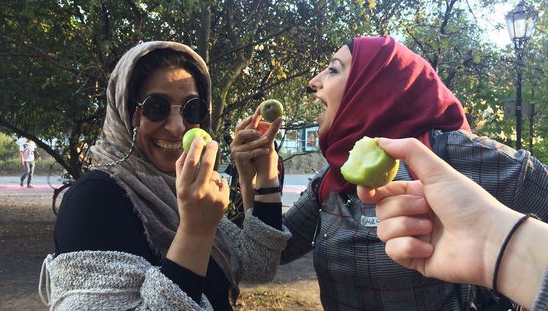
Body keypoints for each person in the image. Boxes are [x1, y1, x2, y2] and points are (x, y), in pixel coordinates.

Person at [231, 36, 548, 310]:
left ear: (372, 88)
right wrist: (262, 177)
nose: (315, 81)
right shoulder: (331, 181)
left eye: (333, 69)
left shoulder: (445, 155)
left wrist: (507, 252)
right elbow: (268, 256)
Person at [38, 41, 291, 310]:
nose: (177, 127)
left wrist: (263, 175)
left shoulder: (181, 188)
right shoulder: (94, 198)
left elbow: (258, 265)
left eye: (192, 108)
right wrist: (195, 231)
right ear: (125, 111)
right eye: (156, 106)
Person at [356, 137, 548, 310]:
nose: (323, 94)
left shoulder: (464, 148)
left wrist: (491, 239)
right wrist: (490, 246)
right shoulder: (327, 179)